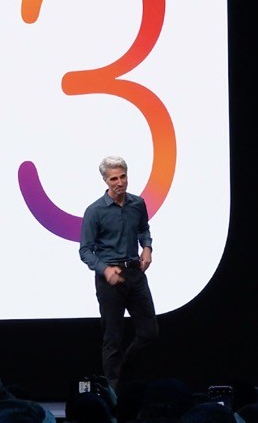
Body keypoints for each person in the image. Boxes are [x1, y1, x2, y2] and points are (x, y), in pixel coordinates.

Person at [79, 155, 159, 392]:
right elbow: (85, 250)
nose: (120, 182)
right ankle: (114, 393)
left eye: (123, 176)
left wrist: (147, 247)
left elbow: (143, 230)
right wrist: (105, 269)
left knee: (149, 332)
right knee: (112, 339)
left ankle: (123, 374)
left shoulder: (137, 204)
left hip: (135, 273)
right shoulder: (95, 211)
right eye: (114, 178)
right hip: (110, 279)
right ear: (105, 180)